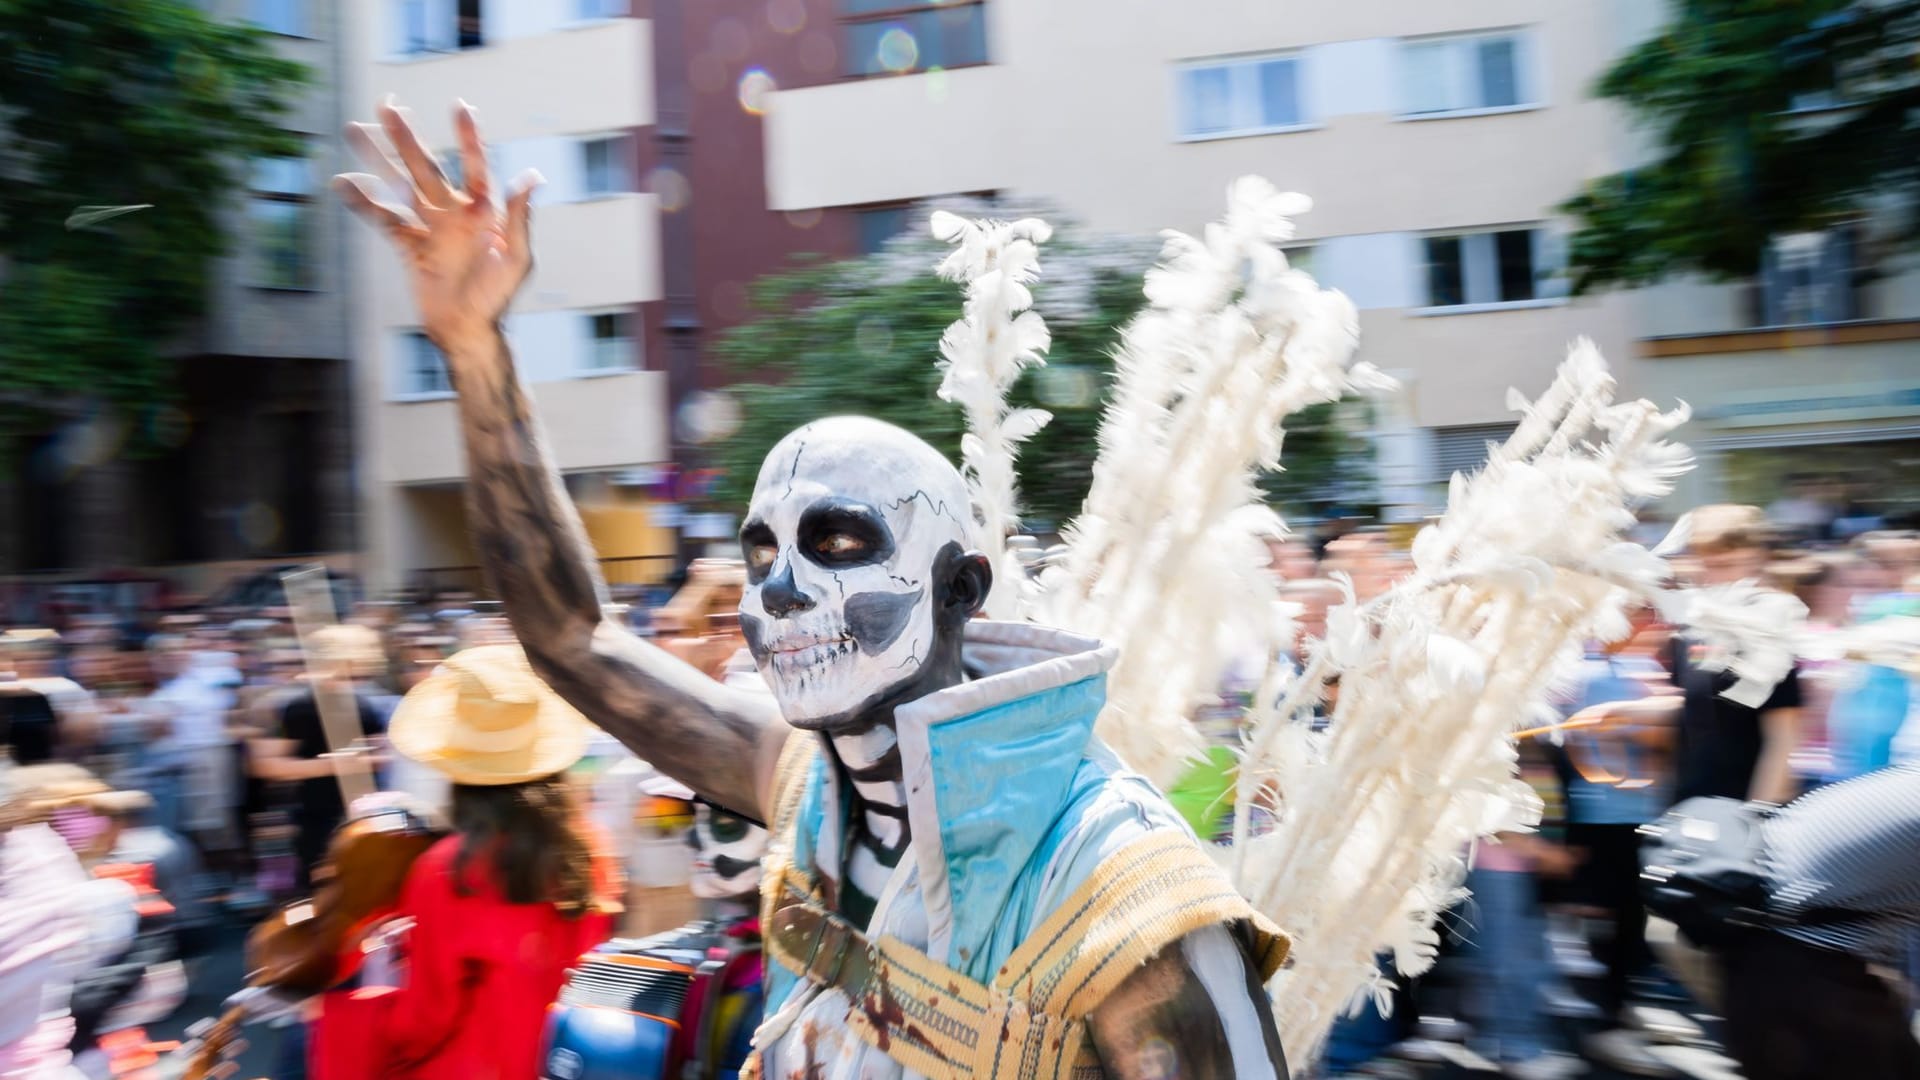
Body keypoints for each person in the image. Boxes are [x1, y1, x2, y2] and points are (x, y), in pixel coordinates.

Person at [340, 97, 1289, 1078]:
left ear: (960, 589)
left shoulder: (1121, 891)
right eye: (760, 555)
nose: (779, 592)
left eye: (838, 543)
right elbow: (575, 637)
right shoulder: (808, 784)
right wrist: (474, 350)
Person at [309, 644, 620, 1080]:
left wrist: (345, 1015)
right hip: (570, 1060)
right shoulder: (589, 845)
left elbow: (425, 1018)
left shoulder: (448, 868)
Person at [246, 625, 387, 888]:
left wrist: (373, 757)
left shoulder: (366, 703)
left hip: (365, 817)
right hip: (316, 820)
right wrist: (332, 765)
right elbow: (265, 765)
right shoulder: (292, 704)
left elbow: (378, 754)